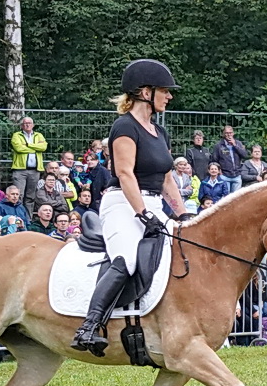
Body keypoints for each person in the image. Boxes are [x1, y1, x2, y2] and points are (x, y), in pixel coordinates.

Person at [72, 59, 187, 354]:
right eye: (165, 90)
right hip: (122, 203)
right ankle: (89, 326)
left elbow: (167, 179)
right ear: (145, 92)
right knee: (127, 259)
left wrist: (184, 214)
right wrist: (142, 213)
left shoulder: (160, 133)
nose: (169, 96)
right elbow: (125, 173)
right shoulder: (124, 127)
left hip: (153, 202)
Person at [10, 116, 48, 206]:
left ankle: (28, 218)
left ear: (33, 125)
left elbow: (43, 147)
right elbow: (18, 148)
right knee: (19, 195)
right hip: (20, 170)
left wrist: (27, 144)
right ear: (21, 126)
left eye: (29, 123)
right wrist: (36, 147)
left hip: (35, 170)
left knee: (31, 197)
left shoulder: (39, 135)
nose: (27, 125)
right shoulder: (16, 135)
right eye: (25, 123)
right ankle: (18, 217)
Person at [213, 125, 246, 191]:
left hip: (237, 175)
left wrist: (235, 145)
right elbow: (214, 160)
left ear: (233, 133)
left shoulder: (238, 143)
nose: (229, 135)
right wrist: (219, 171)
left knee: (236, 198)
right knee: (226, 198)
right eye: (226, 133)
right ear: (223, 134)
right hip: (224, 175)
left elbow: (244, 155)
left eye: (230, 133)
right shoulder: (218, 145)